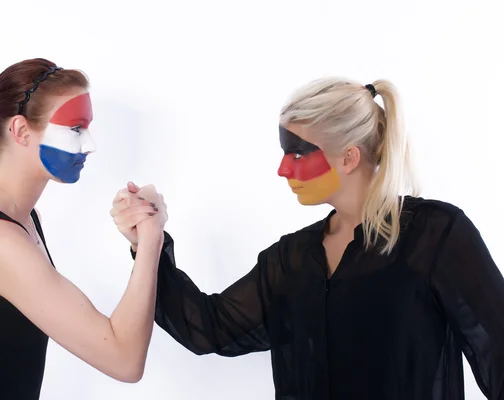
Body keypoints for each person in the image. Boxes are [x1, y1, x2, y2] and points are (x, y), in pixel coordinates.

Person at [110, 78, 504, 399]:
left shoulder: (434, 235)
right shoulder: (291, 260)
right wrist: (149, 242)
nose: (283, 169)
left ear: (349, 158)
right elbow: (208, 327)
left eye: (298, 154)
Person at [0, 58, 167, 400]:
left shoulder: (20, 217)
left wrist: (145, 243)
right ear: (21, 131)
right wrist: (151, 239)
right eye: (75, 128)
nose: (90, 145)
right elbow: (124, 360)